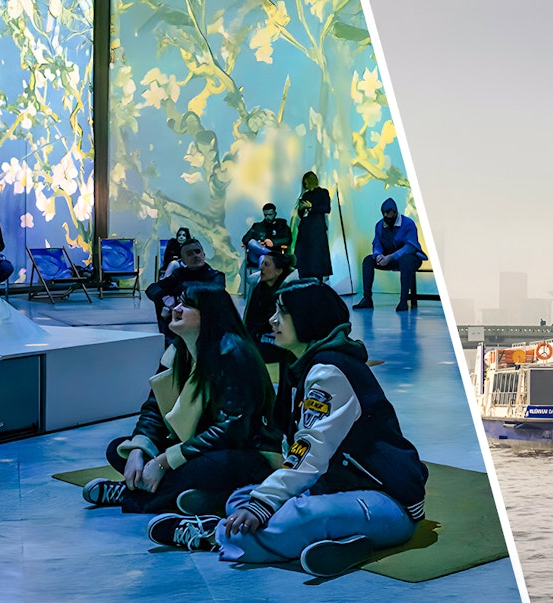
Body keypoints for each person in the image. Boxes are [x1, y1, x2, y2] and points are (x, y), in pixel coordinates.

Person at [147, 280, 427, 577]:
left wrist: (263, 504)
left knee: (293, 516)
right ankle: (345, 543)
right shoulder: (303, 365)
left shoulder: (329, 372)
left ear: (308, 316)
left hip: (388, 502)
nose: (272, 320)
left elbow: (311, 452)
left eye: (282, 312)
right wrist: (260, 500)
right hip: (338, 487)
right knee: (241, 499)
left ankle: (214, 536)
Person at [81, 283, 276, 515]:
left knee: (206, 467)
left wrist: (164, 461)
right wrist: (139, 450)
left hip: (241, 453)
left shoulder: (233, 353)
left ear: (210, 314)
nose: (177, 308)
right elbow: (154, 407)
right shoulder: (179, 349)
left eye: (188, 305)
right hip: (195, 446)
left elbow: (232, 430)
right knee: (119, 449)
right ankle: (193, 497)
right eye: (179, 301)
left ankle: (130, 494)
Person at [353, 197, 428, 312]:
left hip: (410, 258)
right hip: (388, 258)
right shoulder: (380, 225)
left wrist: (391, 257)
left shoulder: (408, 224)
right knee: (368, 261)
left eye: (390, 214)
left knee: (405, 261)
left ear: (395, 212)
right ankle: (367, 299)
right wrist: (378, 256)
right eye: (385, 215)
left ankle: (403, 301)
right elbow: (377, 244)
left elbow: (410, 246)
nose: (387, 217)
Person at [145, 238, 226, 343]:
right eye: (189, 254)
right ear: (183, 260)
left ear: (203, 255)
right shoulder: (179, 275)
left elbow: (211, 292)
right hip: (181, 328)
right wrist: (166, 299)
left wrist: (177, 299)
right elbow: (152, 288)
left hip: (207, 329)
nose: (195, 256)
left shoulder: (216, 276)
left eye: (197, 252)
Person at [243, 251, 299, 367]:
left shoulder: (287, 293)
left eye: (267, 265)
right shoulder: (257, 288)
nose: (262, 268)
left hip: (280, 342)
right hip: (258, 338)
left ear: (279, 271)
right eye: (262, 263)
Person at [293, 171, 331, 280]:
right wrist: (301, 209)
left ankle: (318, 279)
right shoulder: (306, 195)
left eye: (306, 183)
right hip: (305, 229)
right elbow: (302, 215)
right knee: (304, 255)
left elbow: (326, 208)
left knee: (317, 256)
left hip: (317, 230)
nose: (305, 185)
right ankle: (305, 277)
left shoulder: (323, 192)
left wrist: (311, 207)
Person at [240, 203, 291, 269]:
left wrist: (273, 242)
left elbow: (287, 239)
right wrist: (259, 244)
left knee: (263, 258)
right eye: (265, 215)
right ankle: (270, 253)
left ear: (275, 214)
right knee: (252, 242)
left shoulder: (282, 226)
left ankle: (262, 277)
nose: (267, 217)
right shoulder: (257, 226)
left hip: (270, 256)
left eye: (270, 215)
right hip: (256, 255)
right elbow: (245, 240)